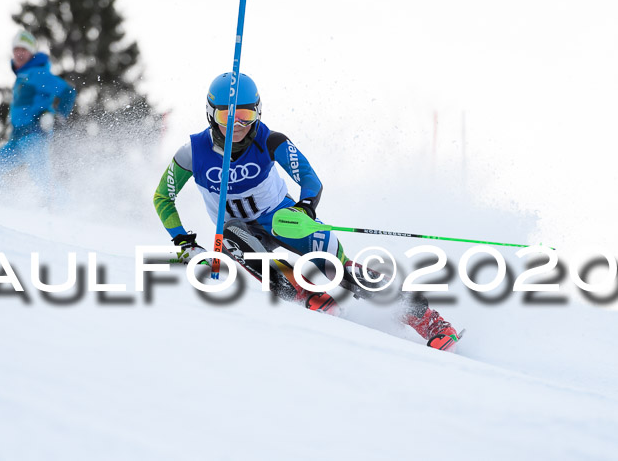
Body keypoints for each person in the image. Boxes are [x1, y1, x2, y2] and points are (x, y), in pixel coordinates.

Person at [153, 72, 459, 349]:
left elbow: (310, 180)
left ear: (257, 113)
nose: (237, 125)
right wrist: (184, 242)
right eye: (226, 115)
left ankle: (426, 318)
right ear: (211, 114)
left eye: (245, 115)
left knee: (337, 264)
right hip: (239, 232)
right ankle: (305, 293)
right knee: (234, 233)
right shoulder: (192, 153)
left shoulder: (270, 140)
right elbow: (162, 198)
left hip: (281, 218)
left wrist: (305, 210)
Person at [0, 30, 76, 203]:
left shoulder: (37, 74)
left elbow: (68, 92)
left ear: (31, 52)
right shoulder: (22, 77)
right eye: (16, 49)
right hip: (17, 139)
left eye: (24, 49)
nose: (19, 53)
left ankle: (70, 211)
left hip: (34, 136)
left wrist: (57, 118)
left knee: (42, 179)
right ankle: (7, 206)